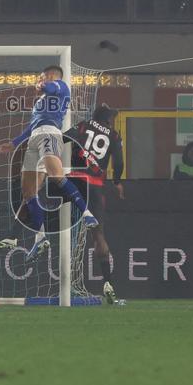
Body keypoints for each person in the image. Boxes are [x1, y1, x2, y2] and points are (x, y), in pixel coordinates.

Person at [0, 66, 98, 256]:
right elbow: (32, 126)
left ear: (50, 75)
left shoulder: (61, 86)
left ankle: (87, 215)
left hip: (50, 134)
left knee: (56, 175)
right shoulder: (40, 101)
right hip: (34, 138)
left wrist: (43, 84)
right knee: (28, 192)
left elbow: (51, 88)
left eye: (42, 76)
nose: (40, 79)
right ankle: (40, 238)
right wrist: (14, 143)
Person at [62, 104, 125, 304]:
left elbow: (62, 138)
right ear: (108, 120)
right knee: (98, 235)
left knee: (63, 227)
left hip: (74, 180)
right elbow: (119, 163)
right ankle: (108, 283)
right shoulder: (114, 136)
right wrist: (116, 181)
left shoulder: (82, 126)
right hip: (96, 187)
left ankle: (64, 279)